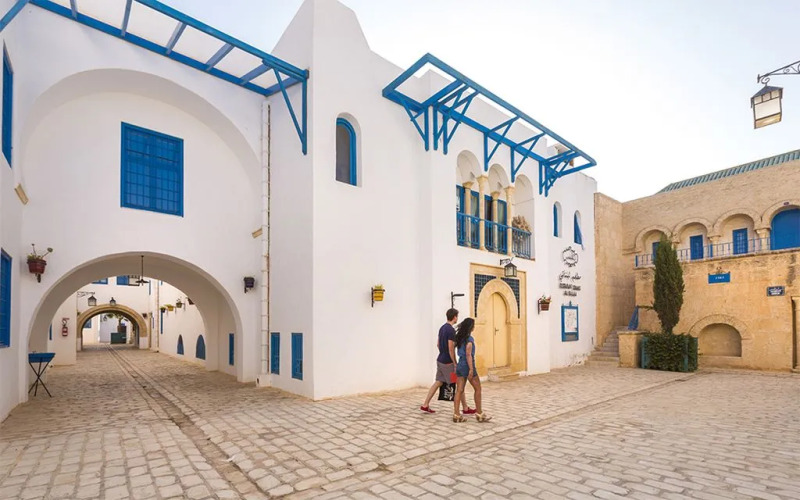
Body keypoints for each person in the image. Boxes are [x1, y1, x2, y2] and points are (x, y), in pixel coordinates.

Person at [420, 308, 475, 415]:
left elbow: (438, 344)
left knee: (438, 382)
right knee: (459, 384)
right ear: (454, 317)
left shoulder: (442, 328)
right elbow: (451, 348)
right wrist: (454, 363)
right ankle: (465, 408)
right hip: (448, 363)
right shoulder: (450, 330)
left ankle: (425, 405)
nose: (457, 318)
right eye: (457, 316)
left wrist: (443, 353)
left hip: (440, 360)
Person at [453, 318, 491, 423]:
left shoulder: (459, 338)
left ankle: (456, 414)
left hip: (460, 365)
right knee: (478, 388)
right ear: (470, 327)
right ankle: (479, 413)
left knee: (459, 390)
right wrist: (471, 369)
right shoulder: (469, 340)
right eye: (473, 325)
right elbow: (468, 355)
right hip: (468, 365)